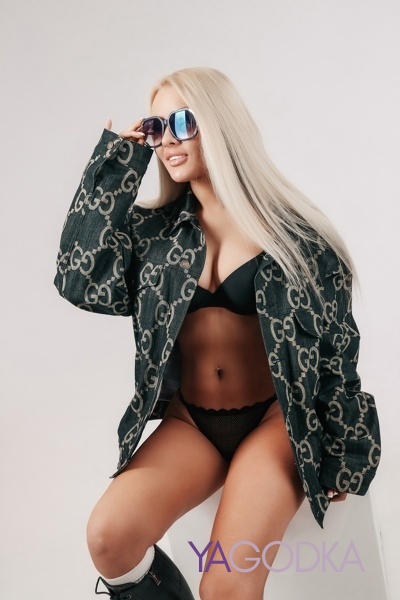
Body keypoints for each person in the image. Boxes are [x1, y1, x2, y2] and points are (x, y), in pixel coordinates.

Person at [53, 67, 381, 600]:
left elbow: (337, 348)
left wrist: (346, 451)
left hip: (274, 422)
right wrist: (116, 166)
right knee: (108, 538)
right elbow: (78, 279)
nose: (168, 139)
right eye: (156, 127)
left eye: (183, 122)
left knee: (226, 586)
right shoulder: (156, 233)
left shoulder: (294, 237)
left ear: (220, 123)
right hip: (192, 424)